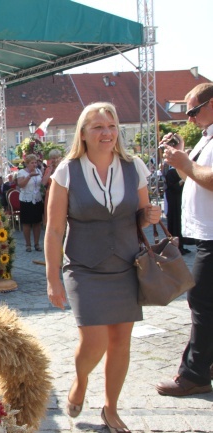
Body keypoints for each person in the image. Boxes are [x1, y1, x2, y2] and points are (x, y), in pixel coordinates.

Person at [45, 102, 161, 432]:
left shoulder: (133, 165)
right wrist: (52, 278)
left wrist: (150, 215)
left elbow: (140, 213)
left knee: (121, 341)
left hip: (126, 264)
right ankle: (81, 380)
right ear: (83, 133)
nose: (106, 132)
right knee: (94, 341)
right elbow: (54, 230)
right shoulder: (67, 171)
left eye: (111, 126)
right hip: (84, 267)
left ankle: (111, 409)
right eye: (97, 127)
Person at [156, 83, 213, 397]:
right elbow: (193, 176)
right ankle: (205, 363)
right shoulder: (207, 137)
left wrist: (185, 162)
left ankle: (193, 374)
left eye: (193, 111)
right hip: (207, 233)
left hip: (212, 235)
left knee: (201, 303)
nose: (190, 118)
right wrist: (182, 157)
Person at [17, 154, 47, 252]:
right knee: (26, 223)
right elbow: (21, 185)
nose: (34, 165)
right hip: (26, 199)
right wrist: (29, 176)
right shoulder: (22, 172)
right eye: (32, 163)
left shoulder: (38, 171)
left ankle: (37, 244)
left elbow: (42, 183)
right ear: (27, 164)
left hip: (37, 199)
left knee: (37, 222)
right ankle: (28, 244)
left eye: (35, 163)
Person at [163, 160, 189, 254]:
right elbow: (173, 187)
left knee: (180, 225)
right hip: (174, 204)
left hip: (180, 202)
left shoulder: (180, 171)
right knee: (175, 224)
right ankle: (174, 247)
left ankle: (181, 245)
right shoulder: (171, 172)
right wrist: (183, 180)